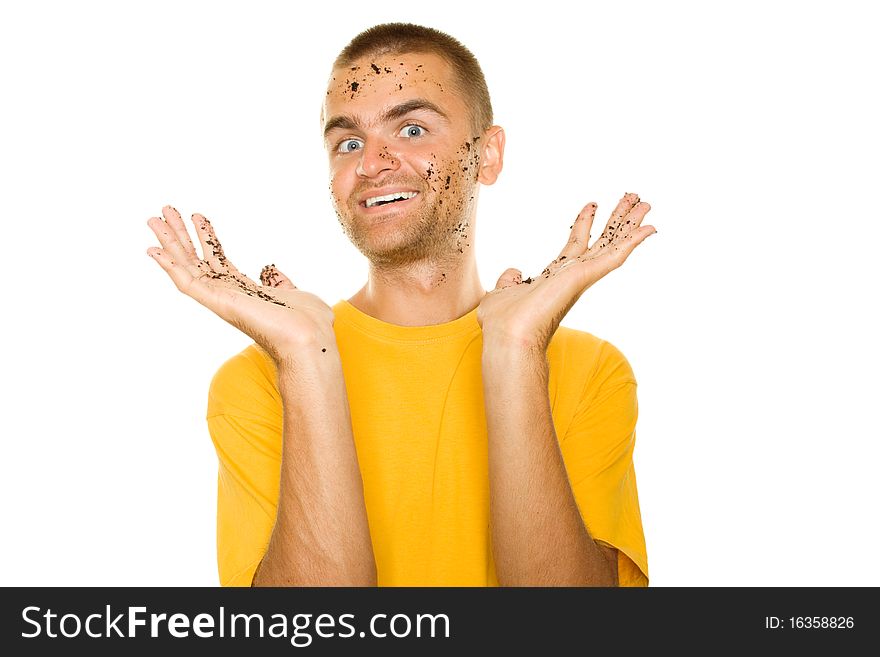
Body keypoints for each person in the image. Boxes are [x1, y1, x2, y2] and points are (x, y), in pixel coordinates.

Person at [146, 22, 656, 587]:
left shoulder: (589, 372)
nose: (371, 163)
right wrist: (306, 359)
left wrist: (515, 354)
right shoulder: (261, 380)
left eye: (412, 129)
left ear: (489, 154)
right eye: (348, 142)